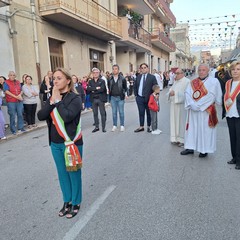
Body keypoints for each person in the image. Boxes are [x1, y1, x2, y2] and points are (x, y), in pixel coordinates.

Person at [37, 68, 83, 219]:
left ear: (68, 80)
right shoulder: (52, 97)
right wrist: (52, 101)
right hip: (55, 144)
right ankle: (67, 202)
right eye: (54, 79)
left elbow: (68, 116)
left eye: (59, 78)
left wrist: (57, 101)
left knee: (73, 174)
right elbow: (41, 115)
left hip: (71, 143)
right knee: (62, 175)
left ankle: (76, 202)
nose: (55, 81)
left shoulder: (75, 98)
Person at [180, 64, 222, 158]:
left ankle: (204, 149)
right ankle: (190, 147)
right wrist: (192, 104)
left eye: (203, 70)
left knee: (205, 130)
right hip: (193, 111)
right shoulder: (193, 82)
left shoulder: (214, 81)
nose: (201, 72)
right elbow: (187, 93)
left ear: (208, 71)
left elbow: (212, 96)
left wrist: (199, 106)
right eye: (199, 70)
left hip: (206, 111)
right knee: (192, 129)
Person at [222, 60, 240, 170]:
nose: (235, 71)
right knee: (232, 137)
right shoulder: (228, 83)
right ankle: (234, 157)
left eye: (238, 69)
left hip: (239, 114)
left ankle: (239, 160)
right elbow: (225, 96)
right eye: (233, 69)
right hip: (230, 114)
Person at [167, 68, 190, 147]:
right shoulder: (175, 82)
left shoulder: (187, 81)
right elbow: (170, 90)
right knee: (174, 122)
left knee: (181, 123)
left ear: (182, 73)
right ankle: (175, 138)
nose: (175, 75)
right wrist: (170, 93)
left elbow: (187, 94)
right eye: (175, 73)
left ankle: (182, 140)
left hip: (181, 106)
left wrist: (176, 93)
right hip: (174, 105)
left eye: (177, 73)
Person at [134, 63, 158, 133]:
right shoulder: (138, 77)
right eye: (142, 68)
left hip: (149, 98)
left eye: (145, 67)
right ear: (140, 69)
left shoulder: (152, 77)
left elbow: (155, 87)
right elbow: (135, 86)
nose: (143, 69)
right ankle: (141, 126)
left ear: (147, 68)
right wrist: (136, 95)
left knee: (148, 113)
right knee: (141, 112)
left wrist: (156, 95)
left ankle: (149, 126)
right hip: (140, 98)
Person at [87, 68, 107, 133]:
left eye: (97, 72)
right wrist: (96, 88)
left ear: (99, 73)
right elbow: (88, 89)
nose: (95, 74)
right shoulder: (90, 81)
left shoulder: (102, 81)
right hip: (93, 99)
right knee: (95, 114)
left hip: (100, 99)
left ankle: (103, 127)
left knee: (102, 113)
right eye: (94, 73)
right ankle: (97, 127)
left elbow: (102, 89)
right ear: (92, 74)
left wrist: (93, 90)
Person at [108, 64, 127, 132]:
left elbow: (125, 88)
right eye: (113, 69)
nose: (114, 70)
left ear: (118, 70)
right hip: (113, 98)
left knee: (121, 112)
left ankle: (122, 125)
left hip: (120, 98)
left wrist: (125, 95)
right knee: (114, 112)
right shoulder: (110, 79)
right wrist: (109, 99)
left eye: (116, 69)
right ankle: (114, 125)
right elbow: (109, 88)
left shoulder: (122, 78)